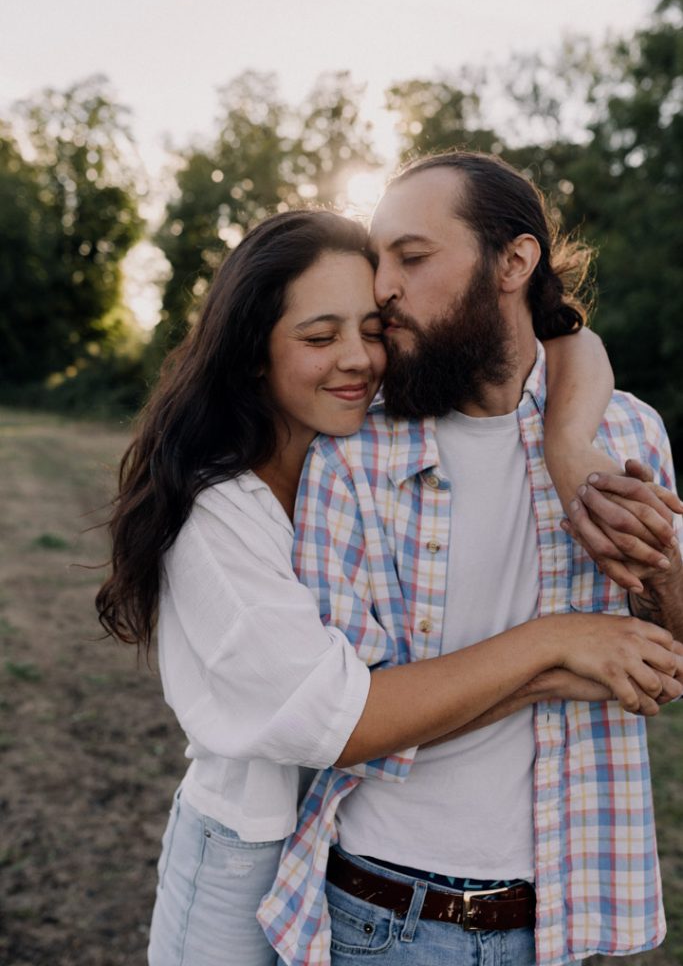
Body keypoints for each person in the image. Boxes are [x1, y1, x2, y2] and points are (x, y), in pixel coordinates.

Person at [95, 209, 679, 966]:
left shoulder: (353, 454)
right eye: (317, 337)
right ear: (250, 356)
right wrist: (555, 650)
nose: (358, 360)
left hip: (338, 845)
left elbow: (564, 339)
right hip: (247, 851)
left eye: (371, 329)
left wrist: (568, 442)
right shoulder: (220, 516)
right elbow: (345, 724)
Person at [258, 156, 683, 966]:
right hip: (383, 917)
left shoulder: (623, 436)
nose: (382, 286)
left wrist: (659, 566)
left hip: (565, 915)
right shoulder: (352, 457)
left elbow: (670, 659)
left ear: (514, 263)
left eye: (411, 259)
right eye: (380, 259)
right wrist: (562, 647)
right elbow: (344, 724)